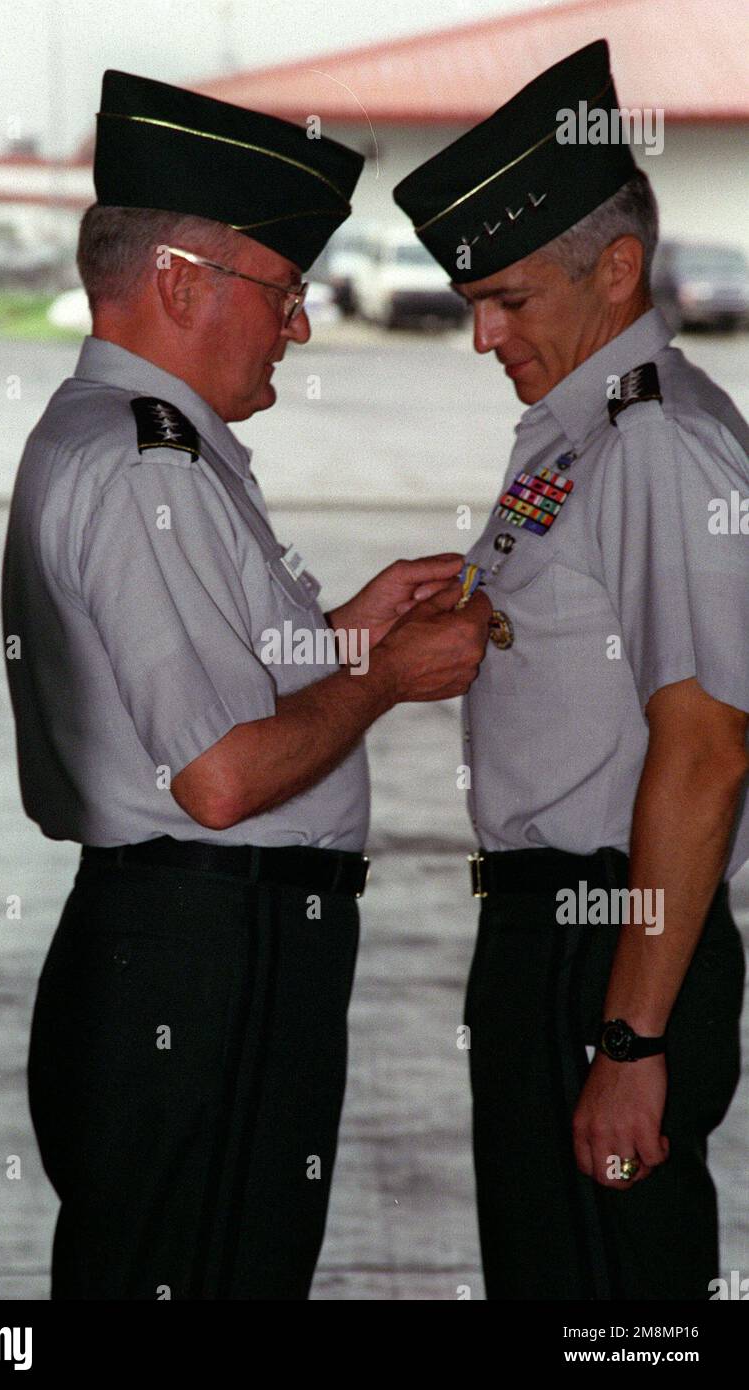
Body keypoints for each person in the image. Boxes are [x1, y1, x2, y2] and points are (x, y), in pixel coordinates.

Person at [1, 68, 491, 1301]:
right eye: (284, 292)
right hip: (205, 957)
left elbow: (206, 689)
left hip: (187, 945)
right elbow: (219, 777)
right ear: (178, 280)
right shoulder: (142, 465)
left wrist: (342, 634)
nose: (301, 326)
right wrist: (378, 678)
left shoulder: (132, 442)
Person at [394, 39, 749, 1300]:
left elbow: (707, 744)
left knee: (616, 1311)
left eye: (508, 299)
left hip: (611, 941)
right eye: (470, 302)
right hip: (548, 936)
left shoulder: (658, 442)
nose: (482, 334)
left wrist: (629, 1036)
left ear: (614, 267)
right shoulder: (577, 435)